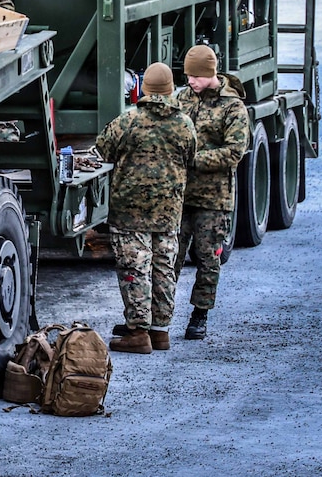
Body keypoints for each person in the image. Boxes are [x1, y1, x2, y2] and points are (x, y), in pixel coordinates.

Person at [96, 62, 197, 354]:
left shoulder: (128, 121)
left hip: (130, 211)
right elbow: (192, 157)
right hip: (169, 211)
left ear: (144, 89)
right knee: (164, 267)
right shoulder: (184, 123)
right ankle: (160, 331)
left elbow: (103, 149)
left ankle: (138, 332)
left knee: (135, 268)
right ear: (170, 90)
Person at [175, 45, 250, 340]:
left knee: (207, 257)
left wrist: (194, 159)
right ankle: (159, 316)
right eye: (188, 75)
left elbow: (234, 152)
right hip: (180, 194)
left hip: (213, 197)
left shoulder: (232, 107)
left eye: (195, 76)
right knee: (169, 256)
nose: (191, 81)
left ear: (210, 74)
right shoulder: (182, 98)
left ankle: (199, 314)